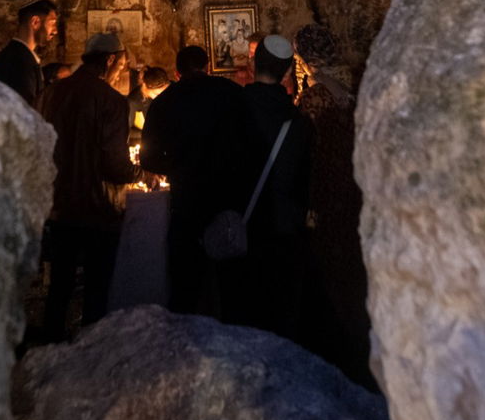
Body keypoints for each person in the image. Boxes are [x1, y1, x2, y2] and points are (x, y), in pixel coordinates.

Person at [36, 32, 139, 342]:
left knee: (60, 287)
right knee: (97, 290)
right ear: (109, 60)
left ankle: (49, 348)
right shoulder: (110, 101)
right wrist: (137, 171)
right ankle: (90, 355)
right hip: (98, 209)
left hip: (60, 206)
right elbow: (113, 165)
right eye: (121, 63)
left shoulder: (52, 94)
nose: (121, 69)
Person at [140, 45, 255, 316]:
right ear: (207, 66)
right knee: (230, 281)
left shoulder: (164, 102)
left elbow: (149, 159)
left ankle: (187, 341)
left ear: (177, 73)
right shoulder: (232, 94)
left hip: (187, 198)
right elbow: (250, 143)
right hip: (228, 198)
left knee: (186, 283)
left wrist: (178, 167)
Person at [294, 23, 373, 387]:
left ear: (304, 57)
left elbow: (305, 153)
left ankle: (341, 360)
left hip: (326, 199)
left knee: (330, 280)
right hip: (355, 193)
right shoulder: (356, 86)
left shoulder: (314, 97)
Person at [229, 34, 312, 335]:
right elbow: (304, 180)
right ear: (288, 71)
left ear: (253, 62)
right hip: (283, 228)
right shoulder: (298, 121)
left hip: (241, 226)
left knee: (241, 318)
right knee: (279, 318)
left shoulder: (232, 110)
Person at [0, 0, 59, 107]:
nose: (55, 31)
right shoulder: (19, 62)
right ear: (35, 22)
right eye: (52, 23)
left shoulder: (19, 55)